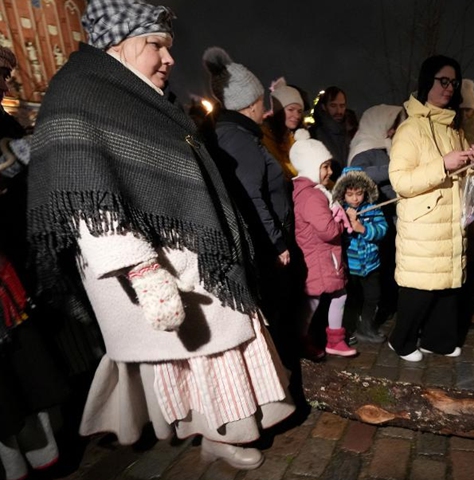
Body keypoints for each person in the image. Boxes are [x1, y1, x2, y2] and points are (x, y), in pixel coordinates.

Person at [26, 0, 295, 471]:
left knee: (219, 347)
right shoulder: (79, 95)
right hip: (151, 263)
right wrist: (143, 270)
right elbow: (86, 199)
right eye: (156, 45)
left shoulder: (133, 93)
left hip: (189, 251)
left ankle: (225, 428)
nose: (169, 59)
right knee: (200, 354)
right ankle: (217, 433)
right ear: (121, 41)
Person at [388, 54, 474, 362]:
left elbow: (461, 178)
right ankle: (401, 341)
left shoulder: (454, 129)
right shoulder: (410, 129)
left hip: (449, 220)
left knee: (447, 286)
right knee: (420, 288)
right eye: (442, 81)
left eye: (453, 82)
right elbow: (401, 181)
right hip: (423, 224)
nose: (449, 88)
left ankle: (438, 341)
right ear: (426, 81)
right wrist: (442, 164)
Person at [1, 45, 70, 480]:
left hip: (16, 254)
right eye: (0, 75)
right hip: (8, 255)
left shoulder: (5, 120)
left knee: (27, 371)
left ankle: (46, 453)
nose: (7, 83)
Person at [203, 47, 302, 334]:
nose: (264, 106)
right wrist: (277, 243)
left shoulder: (240, 135)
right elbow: (251, 195)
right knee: (276, 314)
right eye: (261, 100)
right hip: (267, 249)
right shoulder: (238, 140)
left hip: (267, 244)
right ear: (251, 104)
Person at [290, 129, 356, 358]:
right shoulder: (312, 196)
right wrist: (339, 222)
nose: (329, 171)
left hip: (323, 256)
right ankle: (301, 341)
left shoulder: (313, 192)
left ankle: (332, 339)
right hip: (319, 257)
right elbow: (327, 231)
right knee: (312, 302)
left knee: (336, 295)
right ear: (311, 166)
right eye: (325, 166)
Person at [348, 104, 405, 324]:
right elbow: (357, 173)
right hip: (373, 221)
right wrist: (394, 171)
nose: (392, 131)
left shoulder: (383, 146)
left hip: (387, 217)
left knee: (389, 264)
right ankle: (371, 315)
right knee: (378, 270)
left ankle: (388, 306)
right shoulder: (364, 148)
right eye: (390, 126)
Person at [332, 167, 388, 343]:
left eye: (359, 193)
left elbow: (382, 230)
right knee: (351, 300)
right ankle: (348, 330)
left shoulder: (373, 208)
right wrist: (346, 222)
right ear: (343, 194)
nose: (355, 198)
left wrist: (362, 228)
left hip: (371, 264)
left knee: (373, 297)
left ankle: (366, 327)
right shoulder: (339, 211)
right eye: (350, 194)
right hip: (351, 265)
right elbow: (336, 235)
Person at [263, 77, 305, 180]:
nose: (296, 115)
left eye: (299, 111)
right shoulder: (264, 137)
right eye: (291, 109)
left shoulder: (294, 136)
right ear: (279, 110)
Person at [311, 86, 350, 176]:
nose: (339, 111)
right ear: (324, 106)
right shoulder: (314, 134)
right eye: (333, 105)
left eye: (342, 106)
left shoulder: (350, 132)